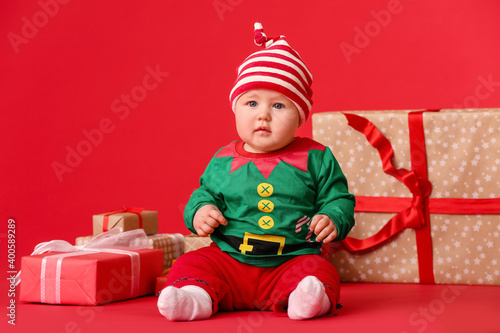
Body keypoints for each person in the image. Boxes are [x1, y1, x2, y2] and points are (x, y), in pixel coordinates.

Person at [158, 22, 355, 321]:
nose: (263, 114)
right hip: (230, 260)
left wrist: (333, 217)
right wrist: (200, 211)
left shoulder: (316, 156)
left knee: (321, 270)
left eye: (278, 105)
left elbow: (338, 198)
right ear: (236, 109)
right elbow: (203, 193)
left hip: (292, 260)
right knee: (191, 261)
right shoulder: (224, 159)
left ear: (299, 115)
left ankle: (306, 298)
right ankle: (195, 297)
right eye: (252, 103)